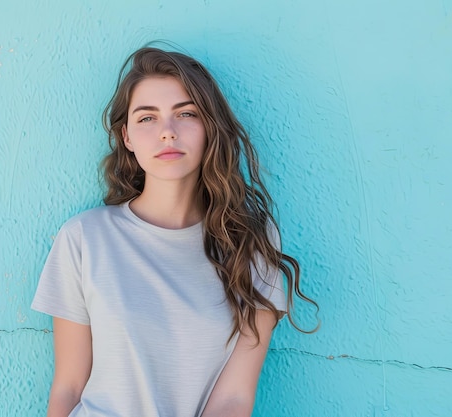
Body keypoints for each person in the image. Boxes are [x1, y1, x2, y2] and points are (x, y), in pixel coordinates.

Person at [31, 46, 318, 417]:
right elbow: (68, 387)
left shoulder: (251, 243)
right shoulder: (84, 238)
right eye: (147, 118)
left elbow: (234, 399)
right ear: (128, 137)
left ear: (210, 127)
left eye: (186, 114)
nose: (167, 132)